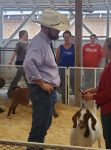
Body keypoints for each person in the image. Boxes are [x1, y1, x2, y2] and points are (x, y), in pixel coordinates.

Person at [23, 9, 70, 149]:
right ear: (44, 27)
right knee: (39, 128)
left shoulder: (45, 41)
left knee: (43, 125)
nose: (58, 32)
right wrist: (42, 83)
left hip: (46, 91)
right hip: (42, 91)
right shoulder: (39, 42)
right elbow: (28, 64)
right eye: (55, 29)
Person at [82, 37, 111, 150]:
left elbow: (108, 93)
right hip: (109, 105)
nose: (102, 50)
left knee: (110, 139)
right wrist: (92, 90)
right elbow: (104, 86)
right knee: (108, 136)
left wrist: (91, 97)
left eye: (104, 48)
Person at [7, 30, 29, 97]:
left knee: (19, 77)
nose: (27, 36)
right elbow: (14, 53)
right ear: (22, 36)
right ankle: (32, 91)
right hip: (20, 63)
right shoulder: (19, 44)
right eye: (26, 35)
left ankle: (9, 92)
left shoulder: (28, 43)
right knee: (26, 78)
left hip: (26, 63)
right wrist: (10, 62)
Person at [56, 30, 75, 104]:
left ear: (70, 37)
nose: (66, 38)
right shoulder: (60, 48)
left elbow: (78, 59)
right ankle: (65, 103)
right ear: (63, 38)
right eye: (65, 37)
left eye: (68, 37)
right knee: (64, 87)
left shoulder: (74, 47)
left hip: (72, 69)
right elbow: (57, 60)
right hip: (62, 69)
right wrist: (56, 71)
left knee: (74, 86)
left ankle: (79, 103)